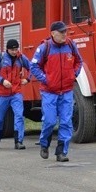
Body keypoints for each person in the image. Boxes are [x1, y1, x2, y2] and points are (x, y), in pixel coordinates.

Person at [30, 21, 83, 162]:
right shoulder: (44, 48)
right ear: (53, 34)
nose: (65, 34)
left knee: (66, 122)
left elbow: (79, 61)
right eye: (61, 32)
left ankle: (61, 152)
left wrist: (74, 74)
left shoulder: (71, 45)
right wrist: (46, 79)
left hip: (66, 90)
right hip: (49, 92)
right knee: (49, 121)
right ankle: (44, 144)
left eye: (65, 31)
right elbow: (34, 67)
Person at [0, 38, 32, 150]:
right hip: (2, 94)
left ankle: (18, 141)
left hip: (16, 92)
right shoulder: (0, 58)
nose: (14, 51)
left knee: (19, 116)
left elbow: (33, 68)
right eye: (12, 49)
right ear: (7, 49)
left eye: (16, 49)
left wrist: (28, 79)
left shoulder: (21, 58)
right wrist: (2, 81)